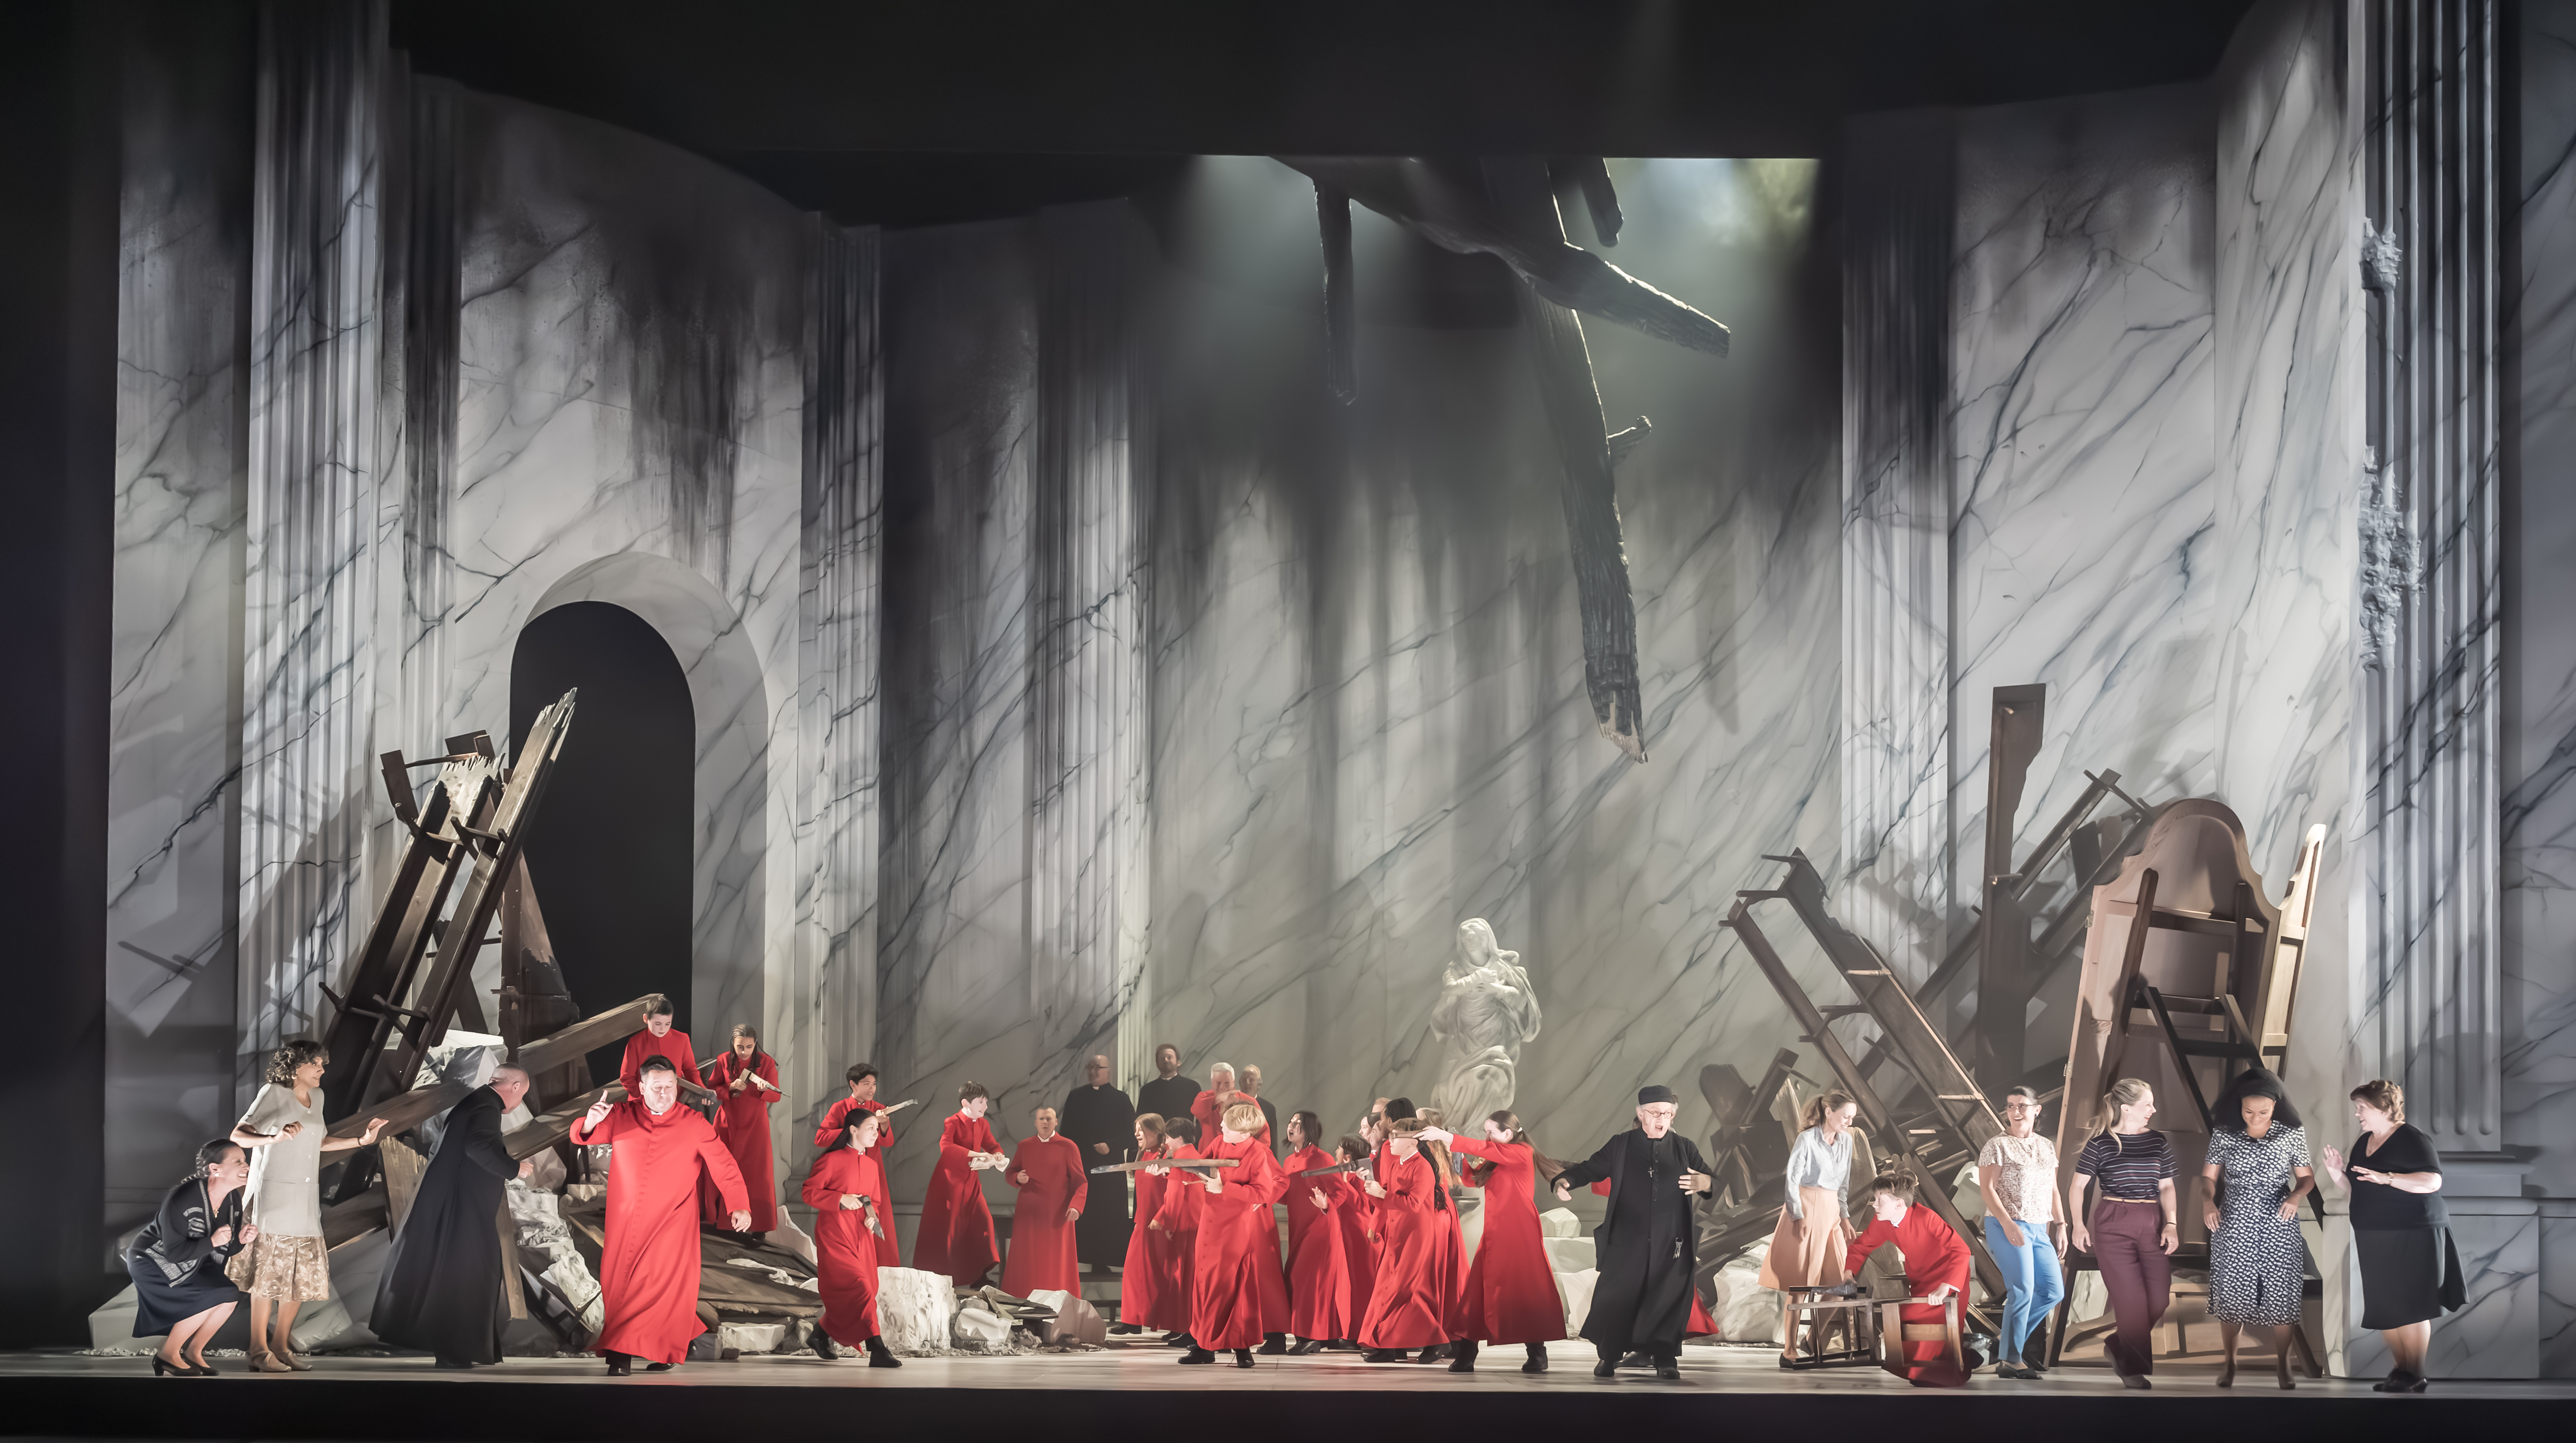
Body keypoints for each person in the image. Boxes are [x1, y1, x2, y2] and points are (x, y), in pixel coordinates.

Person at [572, 1056, 751, 1374]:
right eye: (657, 1087)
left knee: (667, 1290)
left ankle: (657, 1350)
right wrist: (590, 1120)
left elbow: (723, 1164)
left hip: (674, 1220)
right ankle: (620, 1352)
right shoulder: (621, 1115)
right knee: (621, 1286)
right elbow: (583, 1136)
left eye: (671, 1086)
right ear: (641, 1088)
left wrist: (739, 1204)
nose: (666, 1093)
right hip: (626, 1220)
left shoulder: (694, 1122)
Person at [225, 1040, 386, 1372]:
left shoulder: (320, 1097)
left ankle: (281, 1346)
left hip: (305, 1196)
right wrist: (274, 1139)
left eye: (323, 1064)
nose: (323, 1070)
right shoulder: (273, 1092)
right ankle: (258, 1350)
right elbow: (239, 1135)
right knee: (268, 1274)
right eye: (317, 1063)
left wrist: (361, 1141)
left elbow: (321, 1140)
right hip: (273, 1195)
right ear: (296, 1066)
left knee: (299, 1273)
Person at [371, 1064, 536, 1368]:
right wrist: (515, 1169)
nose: (518, 1104)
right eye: (522, 1095)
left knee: (456, 1274)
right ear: (514, 1087)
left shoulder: (476, 1102)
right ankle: (456, 1351)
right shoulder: (487, 1106)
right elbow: (477, 1146)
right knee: (468, 1274)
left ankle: (455, 1351)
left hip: (454, 1203)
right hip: (461, 1207)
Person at [1549, 1085, 1714, 1380]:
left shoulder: (1684, 1147)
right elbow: (1590, 1169)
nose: (1662, 1119)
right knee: (1617, 1296)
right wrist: (1564, 1182)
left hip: (1671, 1239)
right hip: (1627, 1236)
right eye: (1655, 1113)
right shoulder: (1621, 1144)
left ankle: (1665, 1359)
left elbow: (1711, 1179)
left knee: (1666, 1298)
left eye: (1668, 1113)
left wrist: (1705, 1183)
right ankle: (1609, 1357)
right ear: (1640, 1114)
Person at [2320, 1078, 2459, 1393]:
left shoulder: (2412, 1138)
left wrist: (2388, 1178)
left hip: (2412, 1230)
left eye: (2362, 1107)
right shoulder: (2363, 1142)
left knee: (2410, 1305)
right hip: (2373, 1233)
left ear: (2383, 1108)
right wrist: (2336, 1174)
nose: (2357, 1114)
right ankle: (2400, 1371)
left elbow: (2431, 1181)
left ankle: (2415, 1372)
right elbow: (2358, 1189)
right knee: (2385, 1306)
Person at [1421, 1110, 1566, 1372]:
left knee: (1527, 1291)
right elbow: (1470, 1179)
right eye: (1486, 1132)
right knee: (1477, 1292)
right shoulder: (1496, 1157)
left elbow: (1480, 1148)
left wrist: (1449, 1137)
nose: (1487, 1137)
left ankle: (1536, 1353)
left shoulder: (1521, 1153)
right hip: (1496, 1231)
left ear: (1508, 1134)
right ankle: (1467, 1354)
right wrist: (1454, 1152)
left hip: (1520, 1232)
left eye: (1492, 1132)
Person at [2201, 1067, 2315, 1390]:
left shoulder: (2291, 1132)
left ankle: (2283, 1364)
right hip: (2234, 1217)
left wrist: (2294, 1196)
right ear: (2239, 1106)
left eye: (2262, 1111)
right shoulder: (2225, 1132)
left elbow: (2306, 1178)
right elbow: (2207, 1177)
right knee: (2232, 1290)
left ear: (2274, 1106)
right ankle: (2229, 1363)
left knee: (2281, 1293)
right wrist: (2207, 1202)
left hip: (2278, 1217)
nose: (2254, 1117)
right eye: (2248, 1110)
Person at [2067, 1077, 2179, 1389]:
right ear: (2127, 1109)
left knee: (2158, 1298)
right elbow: (2078, 1186)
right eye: (2147, 1104)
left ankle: (2117, 1343)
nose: (2153, 1109)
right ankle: (2131, 1369)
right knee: (2130, 1300)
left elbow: (2167, 1185)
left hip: (2152, 1219)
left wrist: (2171, 1223)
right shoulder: (2101, 1142)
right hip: (2113, 1220)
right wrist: (2077, 1223)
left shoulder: (2157, 1141)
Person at [1179, 1101, 1288, 1367]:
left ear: (1243, 1132)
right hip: (1210, 1222)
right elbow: (1200, 1167)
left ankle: (1240, 1347)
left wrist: (1223, 1188)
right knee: (1205, 1283)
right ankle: (1205, 1345)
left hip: (1235, 1226)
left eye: (1227, 1123)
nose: (1222, 1125)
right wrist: (1168, 1170)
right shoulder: (1219, 1142)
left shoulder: (1259, 1153)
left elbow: (1263, 1193)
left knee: (1230, 1285)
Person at [128, 1140, 251, 1375]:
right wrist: (213, 1242)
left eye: (245, 1161)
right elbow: (173, 1254)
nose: (246, 1166)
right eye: (238, 1162)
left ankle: (194, 1352)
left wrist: (241, 1240)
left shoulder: (233, 1199)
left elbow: (226, 1247)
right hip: (152, 1259)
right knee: (210, 1295)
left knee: (231, 1294)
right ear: (216, 1169)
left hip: (194, 1259)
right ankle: (168, 1354)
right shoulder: (184, 1197)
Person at [1844, 1165, 1973, 1387]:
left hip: (1949, 1278)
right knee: (1907, 1317)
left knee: (1937, 1324)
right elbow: (1860, 1247)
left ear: (1899, 1204)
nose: (1874, 1204)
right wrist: (1848, 1273)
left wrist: (1946, 1287)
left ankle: (1946, 1372)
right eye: (1874, 1199)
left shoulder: (1928, 1218)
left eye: (1879, 1200)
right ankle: (1920, 1370)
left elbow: (1962, 1251)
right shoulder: (1882, 1222)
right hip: (1922, 1280)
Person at [1759, 1089, 1858, 1365]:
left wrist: (1845, 1216)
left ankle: (1812, 1339)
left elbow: (1843, 1184)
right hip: (1806, 1206)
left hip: (1832, 1212)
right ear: (1829, 1112)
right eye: (1846, 1116)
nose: (1849, 1121)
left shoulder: (1847, 1141)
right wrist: (1798, 1215)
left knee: (1841, 1285)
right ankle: (1788, 1349)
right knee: (1801, 1285)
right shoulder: (1807, 1139)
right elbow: (1792, 1179)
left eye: (1852, 1117)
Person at [800, 1109, 903, 1367]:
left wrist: (873, 1216)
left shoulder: (871, 1165)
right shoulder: (831, 1160)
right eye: (870, 1128)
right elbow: (808, 1192)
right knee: (860, 1288)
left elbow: (875, 1201)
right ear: (853, 1130)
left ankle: (820, 1334)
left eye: (876, 1129)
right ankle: (877, 1349)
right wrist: (839, 1199)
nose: (875, 1133)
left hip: (862, 1235)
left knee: (866, 1289)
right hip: (834, 1233)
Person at [1977, 1084, 2065, 1380]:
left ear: (2036, 1110)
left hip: (2040, 1228)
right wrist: (2008, 1223)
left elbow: (2053, 1189)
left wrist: (2062, 1225)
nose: (2015, 1112)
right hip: (2007, 1225)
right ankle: (2012, 1359)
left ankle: (2006, 1348)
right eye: (2011, 1106)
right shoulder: (1996, 1145)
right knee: (2023, 1290)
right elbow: (1987, 1190)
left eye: (2022, 1106)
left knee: (2053, 1291)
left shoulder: (2046, 1146)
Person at [1357, 1118, 1458, 1363]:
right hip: (1397, 1234)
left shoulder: (1422, 1167)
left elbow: (1413, 1205)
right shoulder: (1395, 1166)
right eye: (1390, 1136)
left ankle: (1438, 1341)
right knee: (1387, 1289)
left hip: (1416, 1236)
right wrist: (1370, 1190)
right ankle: (1387, 1345)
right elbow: (1386, 1202)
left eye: (1395, 1137)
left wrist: (1382, 1193)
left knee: (1405, 1291)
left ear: (1413, 1142)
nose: (1389, 1141)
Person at [914, 1081, 1007, 1286]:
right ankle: (942, 1278)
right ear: (966, 1103)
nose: (985, 1106)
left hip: (971, 1182)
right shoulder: (953, 1121)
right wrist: (977, 1154)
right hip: (950, 1182)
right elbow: (946, 1147)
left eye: (986, 1102)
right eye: (981, 1102)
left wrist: (998, 1154)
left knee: (983, 1223)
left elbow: (992, 1145)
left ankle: (979, 1275)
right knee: (950, 1229)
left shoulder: (983, 1124)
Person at [1284, 1133, 1365, 1354]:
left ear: (1346, 1157)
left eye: (1339, 1149)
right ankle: (1328, 1336)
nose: (1335, 1152)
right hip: (1327, 1228)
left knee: (1317, 1282)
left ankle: (1315, 1337)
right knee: (1320, 1283)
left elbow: (1352, 1201)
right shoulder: (1338, 1173)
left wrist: (1328, 1200)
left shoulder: (1344, 1172)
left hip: (1337, 1230)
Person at [813, 1063, 900, 1266]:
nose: (872, 1089)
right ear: (853, 1085)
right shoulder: (839, 1108)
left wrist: (885, 1125)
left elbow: (887, 1142)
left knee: (878, 1217)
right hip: (846, 1173)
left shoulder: (879, 1109)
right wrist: (850, 1131)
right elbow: (820, 1138)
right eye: (866, 1084)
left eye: (874, 1084)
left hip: (872, 1171)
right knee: (849, 1218)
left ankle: (881, 1267)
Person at [700, 1024, 780, 1236]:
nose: (744, 1051)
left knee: (755, 1173)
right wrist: (731, 1087)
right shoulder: (723, 1060)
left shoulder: (767, 1063)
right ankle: (719, 1221)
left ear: (756, 1045)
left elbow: (777, 1095)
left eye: (749, 1047)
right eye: (740, 1047)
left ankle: (756, 1226)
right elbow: (712, 1090)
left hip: (756, 1126)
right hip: (727, 1123)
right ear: (732, 1044)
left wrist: (765, 1091)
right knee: (721, 1168)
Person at [1059, 1054, 1136, 1270]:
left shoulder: (1121, 1099)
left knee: (1109, 1213)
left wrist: (1111, 1145)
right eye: (1090, 1067)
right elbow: (1066, 1134)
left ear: (1108, 1070)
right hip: (1081, 1165)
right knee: (1086, 1212)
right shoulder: (1075, 1097)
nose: (1093, 1071)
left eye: (1098, 1067)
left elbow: (1132, 1134)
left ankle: (1105, 1261)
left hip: (1110, 1169)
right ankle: (1080, 1259)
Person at [1002, 1106, 1088, 1296]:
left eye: (1049, 1119)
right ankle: (1021, 1300)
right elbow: (1011, 1173)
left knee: (1055, 1261)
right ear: (1036, 1123)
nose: (1045, 1123)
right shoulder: (1025, 1146)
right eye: (1041, 1119)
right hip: (1029, 1213)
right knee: (1026, 1258)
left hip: (1057, 1214)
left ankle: (1058, 1304)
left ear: (1056, 1122)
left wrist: (1076, 1206)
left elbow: (1080, 1182)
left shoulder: (1069, 1147)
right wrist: (1018, 1178)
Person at [1120, 1114, 1179, 1336]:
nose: (1136, 1134)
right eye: (1135, 1129)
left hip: (1162, 1224)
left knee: (1164, 1274)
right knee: (1134, 1271)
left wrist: (1163, 1218)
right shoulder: (1143, 1155)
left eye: (1141, 1130)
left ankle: (1172, 1324)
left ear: (1155, 1131)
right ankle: (1133, 1320)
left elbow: (1176, 1191)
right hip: (1143, 1222)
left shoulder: (1169, 1156)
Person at [1151, 1116, 1206, 1344]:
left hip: (1185, 1224)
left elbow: (1175, 1194)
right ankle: (1184, 1326)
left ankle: (1186, 1327)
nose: (1166, 1141)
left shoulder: (1181, 1158)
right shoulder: (1194, 1154)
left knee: (1183, 1277)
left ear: (1179, 1137)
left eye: (1168, 1136)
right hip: (1198, 1221)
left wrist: (1168, 1223)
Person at [618, 995, 697, 1100]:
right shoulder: (636, 1043)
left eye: (668, 1024)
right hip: (643, 1100)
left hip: (674, 1100)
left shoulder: (682, 1039)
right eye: (658, 1024)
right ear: (646, 1019)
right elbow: (627, 1078)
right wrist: (643, 1097)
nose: (663, 1029)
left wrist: (700, 1090)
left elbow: (690, 1070)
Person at [1136, 1044, 1201, 1131]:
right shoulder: (1147, 1090)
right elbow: (1141, 1120)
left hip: (1185, 1139)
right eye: (1162, 1058)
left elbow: (1201, 1119)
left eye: (1169, 1057)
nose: (1166, 1060)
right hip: (1156, 1140)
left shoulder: (1193, 1087)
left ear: (1179, 1062)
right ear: (1157, 1063)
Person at [1190, 1062, 1246, 1146]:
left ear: (1234, 1083)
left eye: (1227, 1083)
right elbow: (1196, 1110)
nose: (1222, 1087)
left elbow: (1262, 1130)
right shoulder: (1205, 1097)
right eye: (1218, 1083)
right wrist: (1219, 1098)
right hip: (1210, 1153)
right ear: (1212, 1083)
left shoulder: (1245, 1099)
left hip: (1238, 1152)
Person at [1239, 1065, 1282, 1156]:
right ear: (1239, 1082)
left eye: (1252, 1079)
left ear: (1259, 1084)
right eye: (1244, 1079)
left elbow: (1273, 1144)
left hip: (1259, 1159)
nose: (1247, 1083)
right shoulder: (1230, 1103)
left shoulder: (1269, 1109)